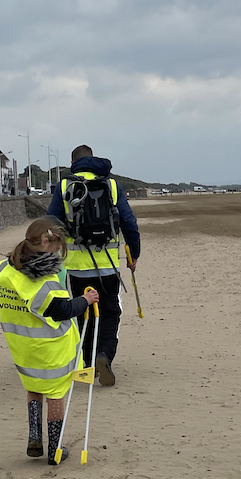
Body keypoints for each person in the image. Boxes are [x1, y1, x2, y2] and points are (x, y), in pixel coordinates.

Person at [0, 218, 99, 464]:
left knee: (34, 387)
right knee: (56, 393)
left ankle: (34, 437)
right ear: (46, 242)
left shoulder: (4, 270)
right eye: (57, 248)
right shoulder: (43, 281)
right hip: (49, 347)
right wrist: (85, 300)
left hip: (21, 347)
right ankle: (55, 447)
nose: (59, 255)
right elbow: (60, 309)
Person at [47, 145, 141, 387]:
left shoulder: (65, 186)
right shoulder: (111, 185)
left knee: (80, 314)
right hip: (108, 267)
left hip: (76, 269)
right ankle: (104, 355)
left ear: (73, 162)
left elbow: (50, 222)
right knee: (110, 313)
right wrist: (134, 255)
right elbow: (129, 223)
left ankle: (87, 364)